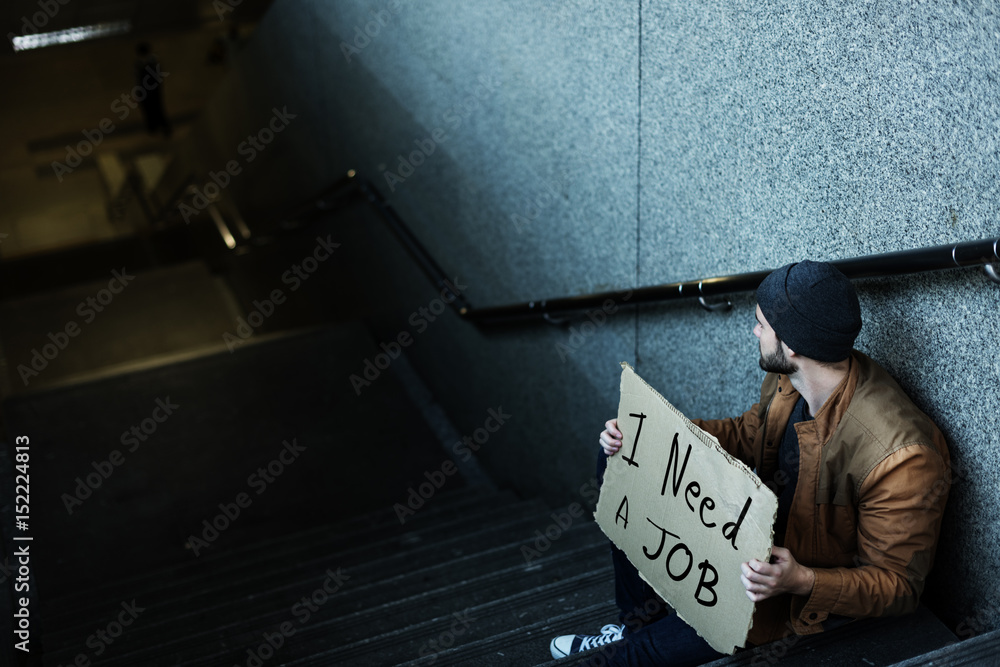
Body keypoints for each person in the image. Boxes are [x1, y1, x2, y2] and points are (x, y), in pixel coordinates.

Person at [550, 260, 951, 666]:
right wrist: (650, 434)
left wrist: (801, 579)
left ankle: (639, 642)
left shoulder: (901, 458)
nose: (754, 331)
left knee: (640, 656)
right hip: (745, 541)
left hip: (791, 598)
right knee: (621, 460)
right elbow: (750, 433)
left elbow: (898, 587)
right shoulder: (798, 376)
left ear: (792, 344)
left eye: (761, 324)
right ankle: (638, 623)